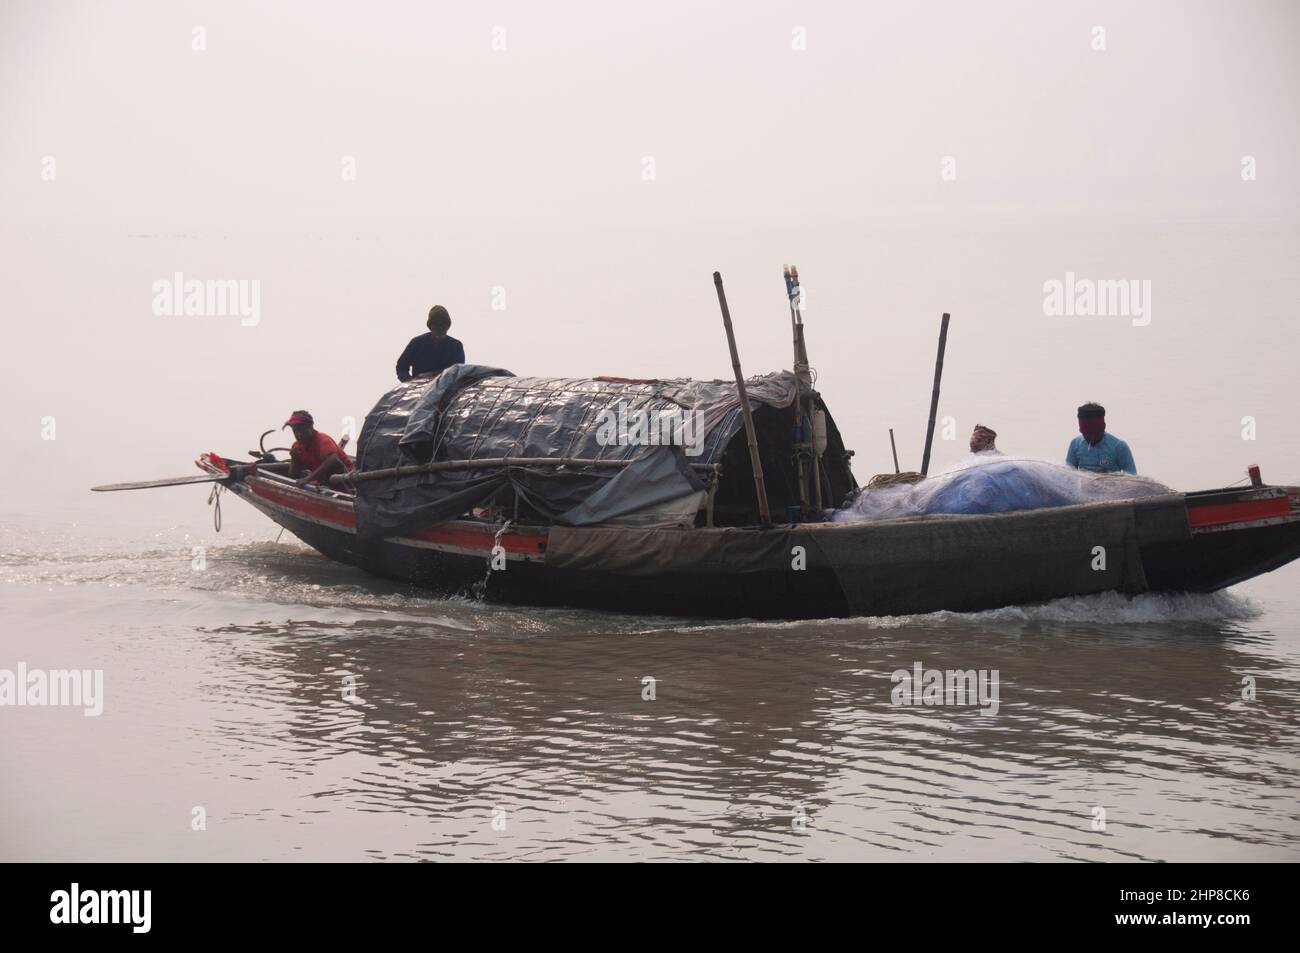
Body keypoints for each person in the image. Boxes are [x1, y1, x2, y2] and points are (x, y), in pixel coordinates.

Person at [396, 305, 465, 382]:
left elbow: (458, 371)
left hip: (446, 389)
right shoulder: (417, 343)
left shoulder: (456, 346)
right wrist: (409, 381)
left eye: (443, 324)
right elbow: (401, 367)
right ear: (431, 326)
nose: (440, 327)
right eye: (436, 324)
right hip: (419, 389)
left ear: (448, 326)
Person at [285, 411, 354, 486]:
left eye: (302, 430)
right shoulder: (296, 447)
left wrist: (307, 479)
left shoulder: (323, 440)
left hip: (347, 483)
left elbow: (333, 460)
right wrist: (294, 460)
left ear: (311, 427)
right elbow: (293, 476)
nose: (299, 434)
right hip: (321, 481)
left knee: (332, 461)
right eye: (296, 431)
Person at [1066, 402, 1136, 474]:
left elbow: (1133, 478)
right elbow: (1068, 475)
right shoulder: (1075, 444)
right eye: (1086, 434)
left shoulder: (1119, 447)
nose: (1091, 438)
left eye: (1094, 434)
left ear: (1103, 428)